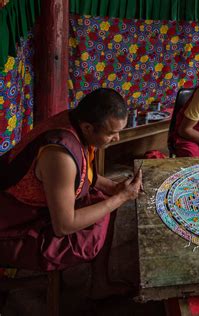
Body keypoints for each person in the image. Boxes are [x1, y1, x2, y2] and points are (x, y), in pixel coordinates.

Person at [0, 88, 142, 271]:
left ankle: (100, 280)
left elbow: (85, 174)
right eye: (111, 133)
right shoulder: (60, 157)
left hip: (44, 206)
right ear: (88, 128)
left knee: (104, 200)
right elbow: (64, 226)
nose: (117, 138)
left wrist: (113, 187)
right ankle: (97, 284)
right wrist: (121, 197)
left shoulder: (74, 119)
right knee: (96, 226)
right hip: (14, 223)